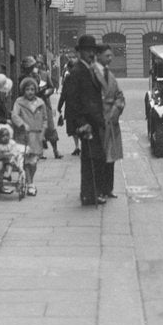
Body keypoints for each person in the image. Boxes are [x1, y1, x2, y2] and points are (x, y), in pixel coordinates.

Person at [62, 34, 107, 206]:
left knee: (94, 159)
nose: (90, 53)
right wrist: (81, 124)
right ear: (80, 52)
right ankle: (89, 194)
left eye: (92, 51)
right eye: (86, 50)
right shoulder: (77, 72)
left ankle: (92, 193)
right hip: (87, 123)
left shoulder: (90, 69)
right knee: (90, 160)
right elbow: (73, 101)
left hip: (94, 122)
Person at [94, 44, 125, 199]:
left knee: (110, 157)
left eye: (111, 56)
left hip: (111, 122)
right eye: (107, 56)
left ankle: (108, 189)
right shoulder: (93, 73)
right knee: (100, 157)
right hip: (99, 121)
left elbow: (120, 95)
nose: (110, 58)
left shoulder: (110, 75)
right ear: (98, 55)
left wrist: (116, 110)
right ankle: (99, 189)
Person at [10, 76, 47, 196]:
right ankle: (30, 183)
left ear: (35, 90)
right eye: (27, 89)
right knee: (26, 161)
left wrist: (43, 131)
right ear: (23, 90)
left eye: (32, 89)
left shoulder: (41, 103)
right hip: (24, 135)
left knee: (34, 162)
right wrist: (22, 124)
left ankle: (31, 180)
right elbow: (14, 115)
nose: (30, 92)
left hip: (37, 135)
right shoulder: (19, 102)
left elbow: (45, 119)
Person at [0, 123, 25, 194]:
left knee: (9, 165)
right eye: (3, 136)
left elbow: (15, 152)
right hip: (0, 160)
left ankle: (8, 175)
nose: (5, 137)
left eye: (7, 135)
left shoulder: (11, 143)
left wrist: (10, 154)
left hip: (9, 160)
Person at [56, 53, 81, 156]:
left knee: (74, 129)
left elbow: (64, 94)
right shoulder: (78, 78)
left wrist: (59, 107)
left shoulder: (68, 79)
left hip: (72, 108)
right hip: (79, 108)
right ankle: (78, 147)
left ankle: (77, 147)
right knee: (78, 127)